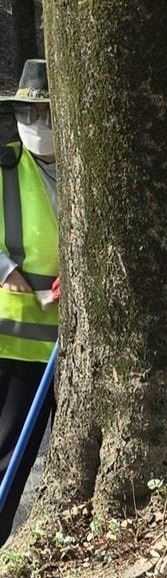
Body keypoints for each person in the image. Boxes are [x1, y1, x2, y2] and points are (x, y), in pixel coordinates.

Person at [0, 59, 59, 540]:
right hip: (13, 346)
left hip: (71, 349)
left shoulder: (91, 170)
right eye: (28, 114)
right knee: (8, 457)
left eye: (46, 114)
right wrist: (8, 272)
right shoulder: (4, 169)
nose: (36, 126)